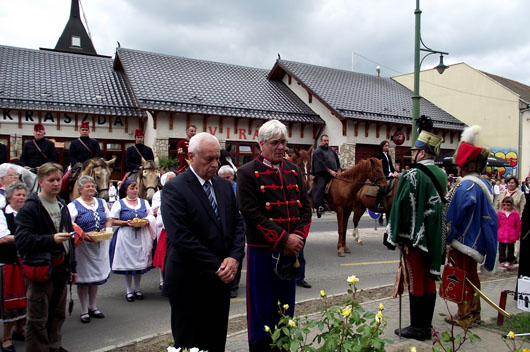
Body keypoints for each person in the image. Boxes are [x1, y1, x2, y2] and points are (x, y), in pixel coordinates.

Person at [161, 132, 245, 352]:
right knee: (190, 343)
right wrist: (217, 266)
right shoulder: (174, 189)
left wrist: (234, 259)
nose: (215, 164)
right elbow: (181, 237)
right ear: (191, 157)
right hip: (189, 282)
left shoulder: (224, 186)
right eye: (209, 159)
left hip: (220, 282)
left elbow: (238, 225)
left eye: (218, 158)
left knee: (216, 341)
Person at [237, 120, 312, 351]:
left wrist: (296, 239)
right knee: (262, 309)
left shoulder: (294, 170)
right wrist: (283, 239)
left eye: (284, 142)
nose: (281, 147)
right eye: (275, 143)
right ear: (262, 145)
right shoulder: (247, 172)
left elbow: (305, 210)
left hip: (290, 252)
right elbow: (251, 214)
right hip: (263, 252)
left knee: (286, 307)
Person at [387, 130, 447, 341]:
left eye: (415, 151)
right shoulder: (442, 174)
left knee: (414, 277)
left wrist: (395, 235)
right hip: (434, 235)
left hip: (415, 237)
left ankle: (417, 327)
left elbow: (401, 206)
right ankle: (426, 324)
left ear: (421, 154)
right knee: (430, 276)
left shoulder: (412, 174)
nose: (413, 154)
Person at [14, 162, 76, 352]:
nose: (56, 184)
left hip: (60, 268)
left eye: (58, 179)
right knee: (37, 317)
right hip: (40, 269)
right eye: (51, 180)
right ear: (41, 182)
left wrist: (72, 267)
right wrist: (51, 239)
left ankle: (53, 346)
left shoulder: (62, 204)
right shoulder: (31, 207)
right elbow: (22, 239)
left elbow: (69, 236)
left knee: (58, 313)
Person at [445, 125, 498, 329]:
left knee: (462, 277)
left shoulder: (466, 186)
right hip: (475, 242)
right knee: (472, 276)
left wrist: (448, 237)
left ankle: (464, 314)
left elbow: (454, 215)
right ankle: (474, 312)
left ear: (464, 166)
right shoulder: (481, 184)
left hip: (463, 242)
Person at [67, 175, 112, 324]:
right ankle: (84, 310)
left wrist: (108, 230)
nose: (91, 189)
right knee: (84, 279)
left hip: (99, 244)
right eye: (87, 186)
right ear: (80, 189)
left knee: (95, 278)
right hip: (83, 247)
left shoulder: (101, 202)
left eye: (93, 186)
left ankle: (93, 306)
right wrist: (82, 233)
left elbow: (108, 218)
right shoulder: (74, 205)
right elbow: (69, 224)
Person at [109, 179, 156, 302]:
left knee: (139, 261)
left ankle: (137, 288)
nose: (135, 191)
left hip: (141, 236)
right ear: (126, 190)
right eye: (132, 188)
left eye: (136, 188)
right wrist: (125, 222)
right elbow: (113, 220)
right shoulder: (119, 204)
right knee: (128, 263)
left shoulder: (144, 202)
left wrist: (147, 221)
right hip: (126, 236)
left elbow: (151, 215)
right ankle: (129, 290)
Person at [0, 182, 28, 352]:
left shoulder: (27, 214)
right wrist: (28, 237)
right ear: (9, 197)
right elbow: (3, 238)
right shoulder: (3, 214)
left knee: (24, 299)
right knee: (10, 302)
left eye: (24, 195)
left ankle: (19, 329)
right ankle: (6, 337)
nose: (22, 198)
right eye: (18, 194)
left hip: (26, 263)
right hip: (8, 263)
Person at [152, 171, 176, 290]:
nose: (172, 181)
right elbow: (155, 211)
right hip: (162, 228)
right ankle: (162, 279)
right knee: (163, 254)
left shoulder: (178, 192)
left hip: (172, 226)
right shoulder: (159, 194)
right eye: (169, 179)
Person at [311, 134, 341, 218]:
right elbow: (321, 164)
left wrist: (339, 170)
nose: (326, 142)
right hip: (322, 174)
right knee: (320, 187)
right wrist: (330, 171)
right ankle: (319, 206)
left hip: (334, 174)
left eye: (327, 140)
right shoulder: (317, 151)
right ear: (321, 141)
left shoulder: (331, 151)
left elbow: (337, 160)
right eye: (325, 141)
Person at [376, 140, 399, 225]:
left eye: (388, 146)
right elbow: (381, 168)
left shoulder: (388, 156)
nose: (387, 147)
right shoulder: (379, 155)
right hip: (384, 175)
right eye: (385, 145)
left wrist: (395, 172)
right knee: (383, 188)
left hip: (391, 175)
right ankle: (379, 204)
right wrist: (390, 174)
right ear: (382, 146)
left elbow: (391, 166)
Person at [497, 197, 521, 269]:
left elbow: (518, 225)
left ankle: (510, 260)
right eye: (504, 205)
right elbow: (497, 224)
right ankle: (502, 260)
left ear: (512, 205)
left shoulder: (515, 214)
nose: (506, 207)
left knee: (511, 249)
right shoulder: (500, 213)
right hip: (502, 234)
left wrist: (517, 235)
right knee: (501, 249)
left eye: (508, 205)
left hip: (511, 234)